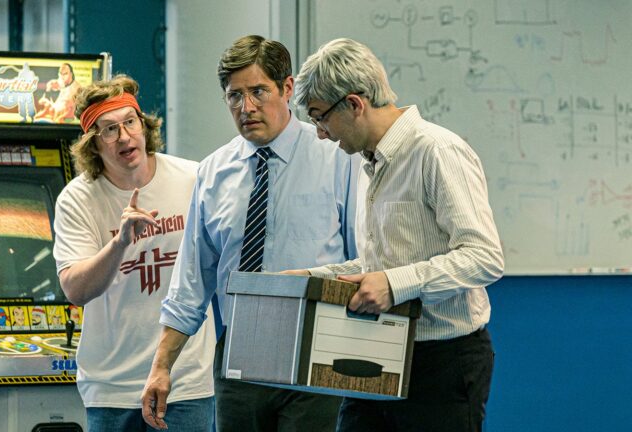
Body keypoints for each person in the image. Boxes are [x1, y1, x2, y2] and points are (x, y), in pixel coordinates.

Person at [141, 35, 360, 432]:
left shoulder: (338, 157)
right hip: (240, 353)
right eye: (234, 96)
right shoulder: (213, 172)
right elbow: (191, 282)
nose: (247, 108)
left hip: (317, 350)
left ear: (288, 89)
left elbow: (363, 259)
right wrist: (161, 367)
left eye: (258, 91)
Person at [288, 38, 505, 432]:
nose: (320, 133)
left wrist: (394, 284)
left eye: (320, 117)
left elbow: (483, 256)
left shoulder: (436, 151)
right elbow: (381, 265)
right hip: (378, 352)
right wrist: (311, 280)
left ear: (354, 104)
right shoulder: (368, 164)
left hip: (442, 361)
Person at [52, 74, 216, 432]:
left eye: (130, 122)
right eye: (109, 130)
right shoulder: (78, 199)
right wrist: (120, 242)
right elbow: (75, 290)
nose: (124, 136)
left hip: (185, 382)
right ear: (93, 145)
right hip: (112, 386)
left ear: (144, 126)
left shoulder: (193, 179)